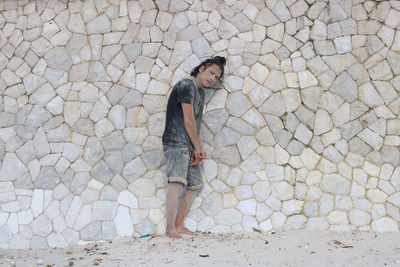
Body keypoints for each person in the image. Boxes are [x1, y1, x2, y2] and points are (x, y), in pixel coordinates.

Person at [162, 56, 226, 238]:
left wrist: (199, 148)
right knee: (176, 182)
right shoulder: (187, 85)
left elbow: (196, 124)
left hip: (190, 145)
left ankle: (180, 224)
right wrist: (197, 147)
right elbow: (188, 120)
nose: (212, 78)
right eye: (211, 73)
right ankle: (170, 229)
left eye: (216, 77)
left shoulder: (201, 93)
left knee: (195, 184)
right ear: (202, 69)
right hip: (175, 142)